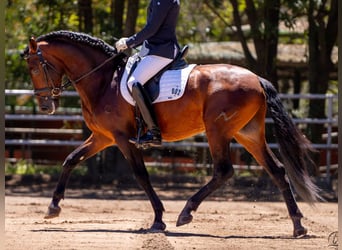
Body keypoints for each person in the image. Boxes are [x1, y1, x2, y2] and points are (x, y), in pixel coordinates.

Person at [115, 0, 180, 148]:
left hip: (162, 51)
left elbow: (151, 29)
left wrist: (129, 42)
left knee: (133, 82)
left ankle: (153, 132)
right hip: (153, 49)